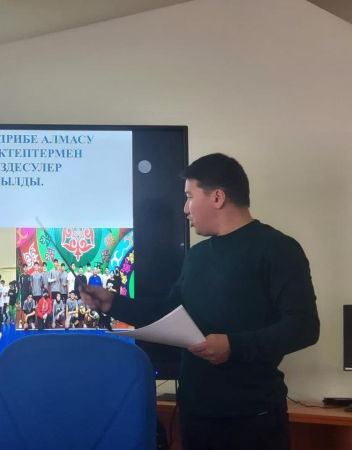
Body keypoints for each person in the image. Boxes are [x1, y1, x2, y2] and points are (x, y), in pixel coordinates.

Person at [80, 153, 320, 450]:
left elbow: (304, 327)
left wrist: (233, 345)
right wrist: (112, 304)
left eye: (189, 196)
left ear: (217, 197)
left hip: (252, 418)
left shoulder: (278, 249)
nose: (184, 208)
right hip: (196, 415)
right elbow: (168, 312)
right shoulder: (198, 256)